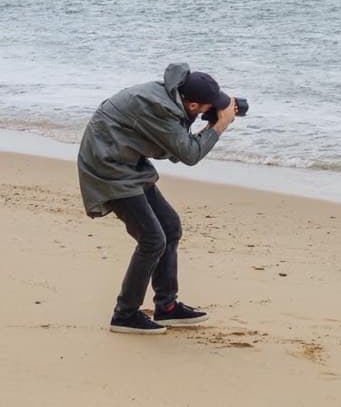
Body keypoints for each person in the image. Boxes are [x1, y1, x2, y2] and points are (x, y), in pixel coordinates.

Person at [77, 62, 237, 334]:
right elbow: (189, 155)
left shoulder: (170, 98)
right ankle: (124, 315)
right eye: (210, 107)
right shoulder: (158, 108)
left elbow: (177, 148)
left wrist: (208, 124)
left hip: (128, 163)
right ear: (194, 106)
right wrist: (219, 126)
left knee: (170, 226)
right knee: (153, 239)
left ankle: (167, 308)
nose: (213, 110)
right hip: (108, 168)